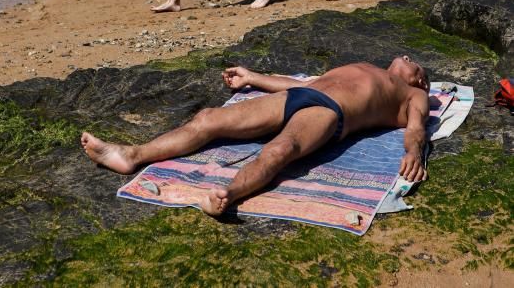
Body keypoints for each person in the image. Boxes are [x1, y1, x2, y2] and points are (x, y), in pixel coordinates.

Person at [81, 55, 430, 216]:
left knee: (281, 149)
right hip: (301, 95)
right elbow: (303, 83)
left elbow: (416, 129)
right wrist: (253, 77)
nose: (407, 58)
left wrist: (413, 153)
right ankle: (132, 156)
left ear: (419, 80)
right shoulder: (364, 65)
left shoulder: (413, 95)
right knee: (208, 118)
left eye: (415, 63)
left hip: (329, 113)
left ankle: (225, 195)